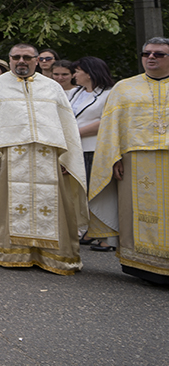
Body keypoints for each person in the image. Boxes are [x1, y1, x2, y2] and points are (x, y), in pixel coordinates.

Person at [0, 43, 87, 275]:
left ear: (36, 60)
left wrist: (68, 158)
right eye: (16, 57)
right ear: (10, 59)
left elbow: (68, 127)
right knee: (7, 204)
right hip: (8, 158)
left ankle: (51, 255)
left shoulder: (52, 87)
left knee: (54, 206)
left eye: (26, 57)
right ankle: (7, 251)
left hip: (49, 158)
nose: (21, 61)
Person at [86, 37, 169, 284]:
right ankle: (143, 265)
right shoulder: (124, 88)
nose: (151, 57)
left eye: (159, 54)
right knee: (139, 214)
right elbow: (111, 128)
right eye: (146, 54)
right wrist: (112, 159)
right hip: (135, 162)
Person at [67, 56, 117, 251]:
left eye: (77, 71)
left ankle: (105, 236)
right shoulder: (75, 93)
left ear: (89, 73)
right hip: (75, 148)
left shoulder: (109, 94)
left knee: (99, 191)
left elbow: (106, 120)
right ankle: (88, 230)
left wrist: (75, 132)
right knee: (81, 191)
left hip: (94, 148)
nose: (74, 75)